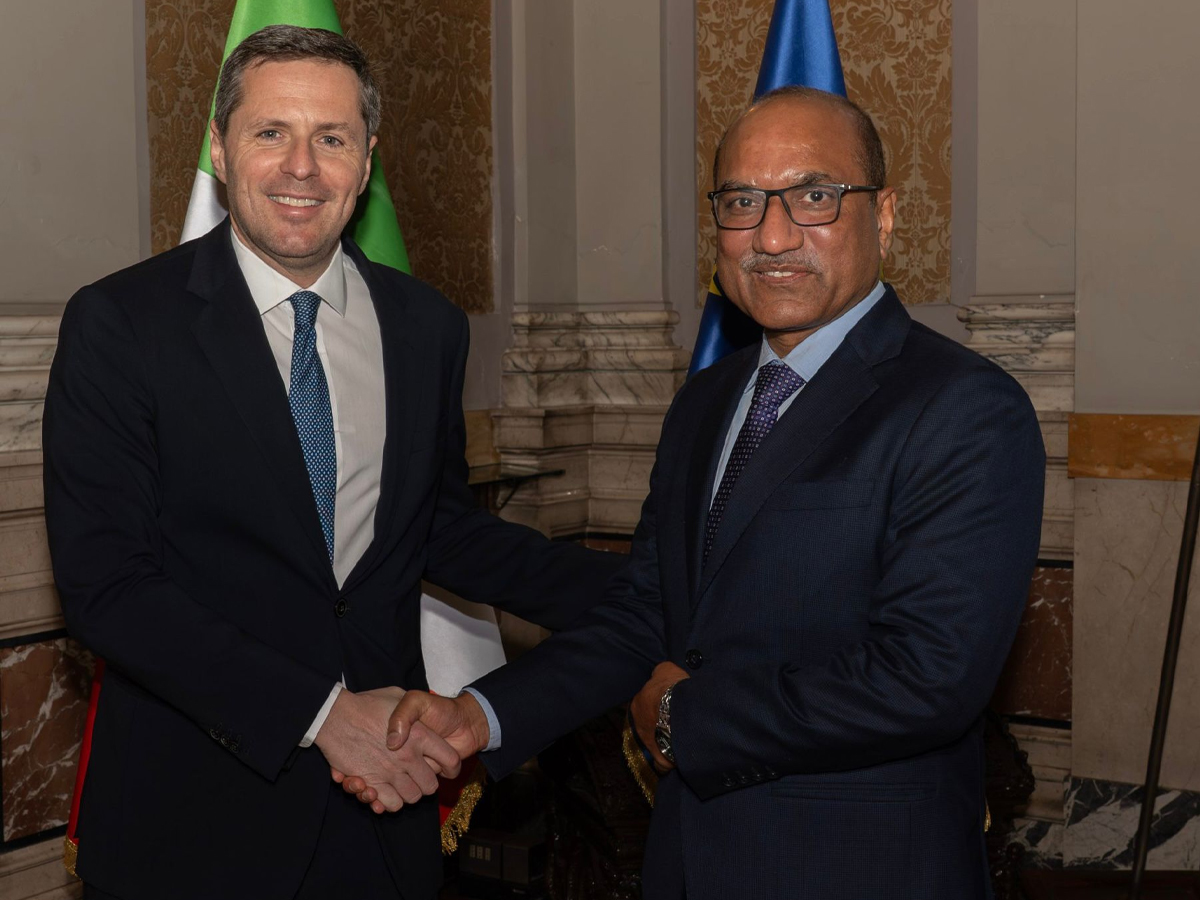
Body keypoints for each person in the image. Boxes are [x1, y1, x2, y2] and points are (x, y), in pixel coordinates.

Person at [366, 87, 1046, 899]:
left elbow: (926, 678)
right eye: (742, 202)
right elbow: (645, 611)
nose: (773, 236)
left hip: (858, 869)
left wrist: (680, 719)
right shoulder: (705, 403)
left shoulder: (963, 407)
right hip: (689, 860)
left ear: (886, 215)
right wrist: (480, 716)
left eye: (815, 197)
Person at [42, 25, 622, 900]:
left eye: (333, 138)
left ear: (368, 159)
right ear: (220, 148)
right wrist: (319, 716)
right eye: (271, 131)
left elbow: (437, 530)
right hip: (194, 820)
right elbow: (107, 586)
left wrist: (655, 592)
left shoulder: (426, 327)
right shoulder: (122, 324)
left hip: (381, 816)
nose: (301, 167)